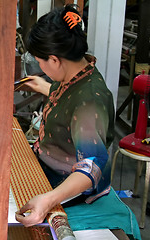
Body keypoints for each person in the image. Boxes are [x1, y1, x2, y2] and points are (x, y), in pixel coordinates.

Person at [15, 5, 115, 227]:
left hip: (71, 186)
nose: (39, 67)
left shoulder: (89, 101)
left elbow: (92, 166)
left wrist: (49, 199)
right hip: (49, 167)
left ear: (54, 60)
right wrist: (44, 86)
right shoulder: (78, 72)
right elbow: (68, 94)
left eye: (40, 62)